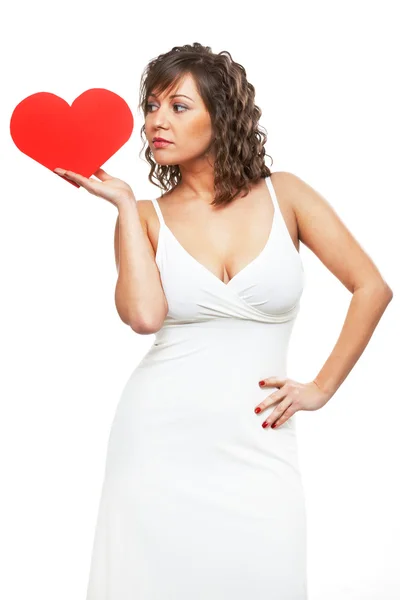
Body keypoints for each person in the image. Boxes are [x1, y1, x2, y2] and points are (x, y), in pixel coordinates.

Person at [54, 42, 393, 600]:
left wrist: (320, 389)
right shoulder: (143, 215)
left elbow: (372, 288)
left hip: (257, 445)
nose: (155, 121)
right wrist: (120, 203)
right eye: (151, 106)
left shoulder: (286, 196)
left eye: (177, 106)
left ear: (223, 114)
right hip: (157, 445)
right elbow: (143, 317)